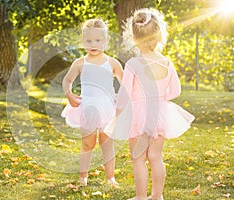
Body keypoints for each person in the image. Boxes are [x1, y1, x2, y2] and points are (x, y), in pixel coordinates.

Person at [115, 8, 195, 200]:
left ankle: (141, 197)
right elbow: (175, 91)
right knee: (155, 157)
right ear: (159, 35)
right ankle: (157, 195)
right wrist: (159, 100)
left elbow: (124, 95)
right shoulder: (166, 63)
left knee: (138, 159)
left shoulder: (133, 64)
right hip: (158, 114)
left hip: (137, 117)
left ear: (134, 38)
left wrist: (118, 114)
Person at [61, 18, 123, 187]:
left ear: (106, 41)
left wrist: (121, 96)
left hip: (107, 109)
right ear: (83, 41)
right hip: (88, 107)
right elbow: (67, 81)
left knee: (106, 143)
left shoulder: (112, 63)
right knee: (88, 143)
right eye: (88, 41)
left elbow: (126, 83)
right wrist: (69, 94)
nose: (93, 44)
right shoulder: (80, 62)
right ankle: (83, 177)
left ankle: (110, 178)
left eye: (98, 40)